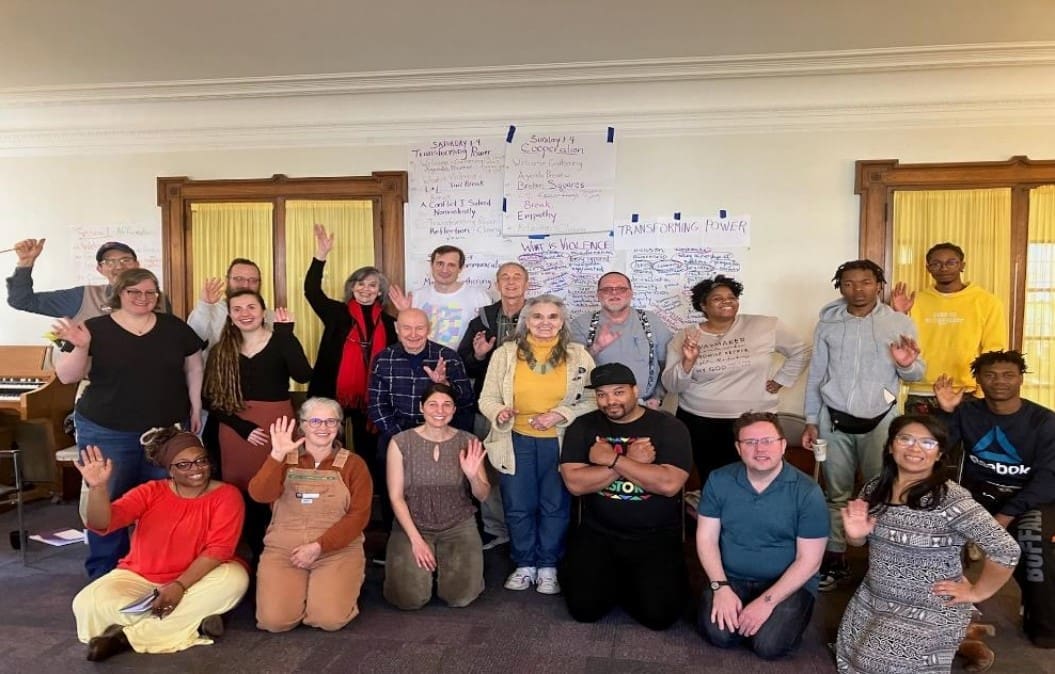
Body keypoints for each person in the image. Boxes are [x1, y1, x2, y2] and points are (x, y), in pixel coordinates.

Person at [51, 268, 205, 580]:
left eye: (150, 293)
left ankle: (158, 571)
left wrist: (196, 403)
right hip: (106, 430)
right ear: (119, 293)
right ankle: (105, 576)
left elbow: (193, 364)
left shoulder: (174, 328)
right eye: (134, 292)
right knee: (107, 501)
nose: (143, 298)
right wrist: (81, 346)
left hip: (164, 434)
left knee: (166, 502)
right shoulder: (93, 328)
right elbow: (67, 376)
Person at [835, 415, 1020, 673]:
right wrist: (855, 535)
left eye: (927, 442)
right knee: (848, 659)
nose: (915, 448)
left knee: (875, 665)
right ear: (890, 446)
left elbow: (1006, 549)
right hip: (874, 597)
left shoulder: (951, 499)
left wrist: (976, 593)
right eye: (905, 439)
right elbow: (858, 542)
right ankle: (967, 639)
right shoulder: (875, 488)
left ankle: (961, 632)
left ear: (940, 453)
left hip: (930, 605)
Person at [70, 428, 248, 662]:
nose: (195, 469)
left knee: (234, 580)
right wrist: (98, 487)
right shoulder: (151, 491)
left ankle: (122, 639)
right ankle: (193, 620)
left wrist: (179, 586)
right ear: (170, 470)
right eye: (183, 465)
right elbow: (102, 523)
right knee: (87, 602)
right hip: (141, 576)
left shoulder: (227, 495)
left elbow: (219, 550)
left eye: (200, 461)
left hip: (199, 577)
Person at [802, 259, 924, 591]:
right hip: (834, 419)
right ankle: (836, 558)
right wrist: (812, 420)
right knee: (836, 493)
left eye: (866, 282)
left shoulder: (898, 322)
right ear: (840, 287)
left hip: (881, 420)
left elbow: (916, 373)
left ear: (879, 285)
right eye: (850, 283)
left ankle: (881, 563)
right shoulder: (827, 323)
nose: (858, 289)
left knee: (883, 491)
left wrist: (907, 365)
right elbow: (816, 375)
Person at [934, 350, 1055, 647]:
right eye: (990, 375)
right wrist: (946, 412)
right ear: (978, 380)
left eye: (1008, 375)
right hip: (979, 496)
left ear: (1021, 379)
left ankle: (1043, 623)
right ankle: (947, 613)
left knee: (1033, 541)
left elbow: (1048, 480)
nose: (999, 381)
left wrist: (1005, 516)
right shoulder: (967, 412)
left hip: (1029, 500)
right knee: (939, 531)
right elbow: (935, 448)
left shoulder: (1044, 421)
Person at [558, 363, 691, 629]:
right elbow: (575, 483)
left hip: (655, 534)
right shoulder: (583, 426)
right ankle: (619, 579)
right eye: (602, 394)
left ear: (635, 390)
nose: (610, 401)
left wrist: (613, 460)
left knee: (659, 618)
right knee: (584, 611)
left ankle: (630, 580)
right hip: (599, 532)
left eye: (619, 392)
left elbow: (668, 484)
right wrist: (631, 462)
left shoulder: (669, 427)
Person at [478, 294, 596, 595]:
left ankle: (547, 566)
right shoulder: (505, 354)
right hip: (514, 440)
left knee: (555, 506)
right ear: (526, 321)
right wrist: (499, 412)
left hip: (560, 442)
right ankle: (524, 563)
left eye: (552, 317)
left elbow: (594, 399)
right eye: (538, 317)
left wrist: (561, 413)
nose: (545, 323)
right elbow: (487, 398)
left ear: (562, 321)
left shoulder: (579, 355)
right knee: (518, 506)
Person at [696, 411, 829, 660]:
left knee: (768, 646)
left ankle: (777, 617)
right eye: (750, 442)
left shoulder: (808, 492)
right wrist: (720, 587)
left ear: (782, 445)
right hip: (731, 577)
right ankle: (743, 612)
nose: (760, 449)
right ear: (738, 448)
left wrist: (767, 602)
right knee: (719, 636)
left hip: (785, 584)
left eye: (767, 441)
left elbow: (810, 561)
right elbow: (706, 539)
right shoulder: (719, 480)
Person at [661, 274, 810, 485]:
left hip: (755, 420)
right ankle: (716, 518)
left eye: (731, 297)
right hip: (700, 421)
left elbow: (802, 350)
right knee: (712, 480)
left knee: (762, 478)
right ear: (703, 305)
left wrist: (781, 380)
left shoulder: (765, 325)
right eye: (717, 298)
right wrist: (688, 362)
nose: (727, 301)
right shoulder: (685, 336)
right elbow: (672, 385)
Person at [202, 290, 312, 569]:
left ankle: (281, 551)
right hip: (236, 428)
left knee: (280, 487)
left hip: (278, 425)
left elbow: (303, 374)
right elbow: (209, 399)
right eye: (237, 309)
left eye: (251, 307)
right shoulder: (220, 350)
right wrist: (242, 427)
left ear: (264, 312)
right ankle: (253, 552)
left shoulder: (280, 340)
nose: (245, 313)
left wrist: (287, 334)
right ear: (230, 315)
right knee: (241, 492)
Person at [248, 399, 373, 633]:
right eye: (315, 421)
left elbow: (359, 517)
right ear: (302, 425)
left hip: (336, 550)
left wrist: (319, 546)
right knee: (274, 622)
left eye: (330, 421)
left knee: (329, 619)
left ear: (339, 426)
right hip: (284, 550)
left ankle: (340, 585)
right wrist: (276, 456)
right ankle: (310, 592)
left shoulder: (354, 465)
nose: (323, 427)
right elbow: (259, 494)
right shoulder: (284, 458)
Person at [305, 224, 397, 513]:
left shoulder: (390, 322)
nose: (366, 289)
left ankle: (367, 508)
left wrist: (406, 312)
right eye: (360, 284)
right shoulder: (336, 312)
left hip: (373, 400)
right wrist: (320, 256)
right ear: (352, 287)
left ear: (379, 290)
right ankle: (328, 507)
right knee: (328, 453)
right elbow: (311, 291)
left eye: (372, 285)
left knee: (370, 456)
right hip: (334, 396)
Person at [368, 308, 475, 537]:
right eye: (406, 327)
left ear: (429, 329)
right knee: (390, 484)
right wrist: (403, 439)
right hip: (396, 431)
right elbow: (377, 406)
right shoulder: (383, 359)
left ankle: (447, 533)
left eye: (420, 328)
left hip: (440, 431)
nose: (413, 334)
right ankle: (395, 537)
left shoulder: (447, 357)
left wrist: (444, 382)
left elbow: (465, 400)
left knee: (446, 486)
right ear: (397, 329)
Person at [384, 383, 490, 610]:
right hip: (412, 524)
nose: (439, 410)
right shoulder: (400, 442)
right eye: (433, 404)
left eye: (446, 405)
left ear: (454, 410)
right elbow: (395, 497)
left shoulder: (469, 441)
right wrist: (416, 540)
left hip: (458, 525)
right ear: (421, 408)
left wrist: (473, 476)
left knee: (460, 597)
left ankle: (451, 568)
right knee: (408, 599)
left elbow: (483, 495)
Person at [457, 261, 530, 549]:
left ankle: (524, 528)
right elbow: (464, 365)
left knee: (524, 470)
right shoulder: (483, 320)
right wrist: (477, 355)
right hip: (488, 407)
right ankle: (495, 528)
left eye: (517, 277)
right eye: (504, 277)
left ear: (527, 284)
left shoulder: (541, 316)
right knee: (488, 469)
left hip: (528, 408)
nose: (511, 282)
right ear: (497, 285)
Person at [891, 242, 1007, 415]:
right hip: (921, 390)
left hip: (965, 392)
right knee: (919, 442)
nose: (944, 268)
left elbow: (994, 349)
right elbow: (900, 344)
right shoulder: (916, 300)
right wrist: (898, 314)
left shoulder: (987, 301)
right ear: (928, 268)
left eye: (951, 262)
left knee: (962, 442)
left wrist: (983, 392)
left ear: (962, 265)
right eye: (936, 264)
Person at [570, 271, 672, 409]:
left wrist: (657, 396)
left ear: (630, 293)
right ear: (598, 295)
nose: (614, 293)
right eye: (607, 289)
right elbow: (571, 370)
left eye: (621, 289)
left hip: (645, 405)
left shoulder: (651, 320)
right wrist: (595, 348)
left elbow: (667, 365)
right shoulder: (581, 324)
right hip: (596, 407)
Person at [6, 239, 139, 321]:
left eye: (126, 260)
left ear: (137, 265)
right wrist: (26, 262)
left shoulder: (155, 298)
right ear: (100, 269)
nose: (119, 266)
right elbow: (22, 301)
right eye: (109, 262)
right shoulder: (84, 297)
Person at [390, 244, 491, 349]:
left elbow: (486, 337)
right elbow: (404, 339)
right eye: (440, 264)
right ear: (432, 265)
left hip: (463, 363)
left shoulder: (479, 297)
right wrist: (404, 312)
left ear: (460, 268)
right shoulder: (415, 297)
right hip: (423, 362)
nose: (444, 270)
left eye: (451, 265)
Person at [187, 257, 268, 351]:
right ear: (227, 280)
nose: (246, 285)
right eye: (239, 279)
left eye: (253, 280)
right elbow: (191, 341)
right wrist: (204, 305)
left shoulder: (269, 315)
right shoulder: (209, 310)